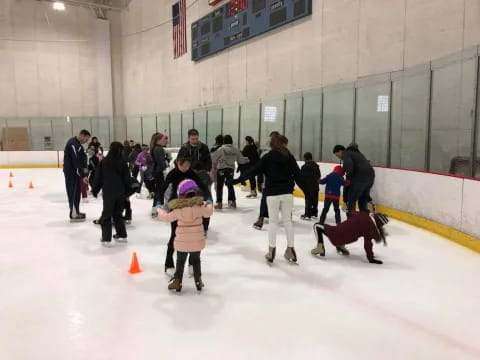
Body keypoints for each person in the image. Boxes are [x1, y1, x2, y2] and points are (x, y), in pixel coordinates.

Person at [231, 135, 304, 264]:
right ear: (283, 144)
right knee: (288, 222)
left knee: (273, 222)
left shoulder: (268, 157)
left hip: (272, 193)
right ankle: (291, 249)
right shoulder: (289, 157)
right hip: (287, 193)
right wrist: (309, 192)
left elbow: (253, 171)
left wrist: (238, 179)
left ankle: (271, 250)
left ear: (272, 144)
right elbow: (298, 175)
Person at [156, 156, 212, 273]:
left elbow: (202, 185)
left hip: (191, 204)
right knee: (174, 235)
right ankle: (169, 263)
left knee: (193, 235)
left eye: (188, 165)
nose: (186, 168)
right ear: (177, 163)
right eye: (183, 165)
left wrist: (209, 197)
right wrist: (159, 201)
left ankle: (192, 263)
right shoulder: (173, 173)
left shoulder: (191, 173)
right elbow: (163, 187)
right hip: (176, 205)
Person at [157, 179, 214, 292]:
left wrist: (159, 208)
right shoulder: (200, 207)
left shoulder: (178, 209)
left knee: (180, 261)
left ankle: (177, 281)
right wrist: (209, 202)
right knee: (196, 260)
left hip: (182, 241)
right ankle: (198, 280)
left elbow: (166, 217)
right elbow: (209, 212)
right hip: (197, 241)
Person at [91, 142, 130, 247]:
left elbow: (98, 177)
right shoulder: (122, 162)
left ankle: (106, 238)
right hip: (120, 193)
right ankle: (121, 235)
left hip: (109, 193)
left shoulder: (104, 162)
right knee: (118, 214)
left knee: (107, 215)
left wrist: (95, 190)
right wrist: (127, 193)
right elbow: (127, 179)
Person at [311, 212, 389, 264]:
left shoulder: (363, 214)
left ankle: (320, 246)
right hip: (345, 239)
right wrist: (371, 258)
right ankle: (340, 246)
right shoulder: (371, 230)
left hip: (336, 233)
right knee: (349, 234)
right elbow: (368, 244)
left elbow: (351, 212)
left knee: (317, 226)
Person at [177, 129, 212, 232]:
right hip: (188, 178)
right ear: (188, 138)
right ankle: (190, 224)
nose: (195, 141)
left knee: (204, 201)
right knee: (189, 202)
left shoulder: (203, 147)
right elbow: (179, 162)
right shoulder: (184, 148)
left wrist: (205, 169)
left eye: (196, 138)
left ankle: (204, 227)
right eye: (193, 139)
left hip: (202, 178)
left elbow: (209, 161)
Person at [333, 144, 375, 217]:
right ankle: (365, 222)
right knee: (362, 200)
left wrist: (345, 199)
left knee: (351, 200)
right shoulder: (357, 153)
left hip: (359, 178)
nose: (339, 158)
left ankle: (351, 222)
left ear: (340, 151)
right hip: (370, 177)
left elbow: (349, 168)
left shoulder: (346, 154)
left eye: (337, 155)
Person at [211, 135, 249, 210]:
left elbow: (214, 158)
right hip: (230, 170)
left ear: (224, 141)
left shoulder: (221, 149)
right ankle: (233, 202)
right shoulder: (236, 150)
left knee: (219, 186)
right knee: (230, 185)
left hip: (221, 169)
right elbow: (241, 160)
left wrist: (215, 164)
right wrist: (247, 159)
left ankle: (219, 204)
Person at [252, 131, 280, 230]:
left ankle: (261, 219)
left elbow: (259, 169)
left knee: (266, 200)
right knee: (268, 199)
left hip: (272, 182)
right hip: (273, 182)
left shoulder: (266, 153)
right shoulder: (283, 152)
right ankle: (263, 218)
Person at [63, 129, 90, 221]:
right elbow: (76, 161)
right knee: (73, 192)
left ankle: (76, 211)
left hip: (76, 173)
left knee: (77, 192)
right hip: (71, 173)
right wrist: (83, 175)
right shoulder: (73, 144)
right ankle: (73, 213)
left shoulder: (78, 145)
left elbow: (82, 159)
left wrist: (84, 174)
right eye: (86, 139)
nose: (86, 142)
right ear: (82, 135)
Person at [150, 133, 169, 216]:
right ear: (158, 140)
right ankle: (157, 208)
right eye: (163, 139)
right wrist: (166, 168)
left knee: (159, 190)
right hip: (159, 172)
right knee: (160, 191)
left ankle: (156, 208)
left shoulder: (155, 148)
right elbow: (161, 162)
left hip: (156, 171)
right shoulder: (159, 149)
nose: (165, 141)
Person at [300, 152, 321, 220]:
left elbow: (302, 177)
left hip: (308, 187)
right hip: (315, 186)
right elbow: (319, 176)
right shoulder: (316, 166)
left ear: (305, 158)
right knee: (315, 200)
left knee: (308, 200)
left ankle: (307, 214)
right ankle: (314, 213)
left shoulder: (304, 167)